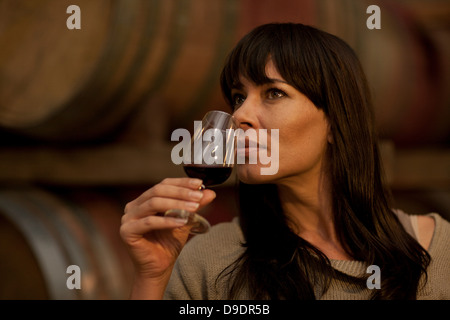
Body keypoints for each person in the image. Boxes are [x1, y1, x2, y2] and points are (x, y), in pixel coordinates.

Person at [120, 23, 450, 300]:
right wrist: (151, 277)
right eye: (238, 97)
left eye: (273, 93)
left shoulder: (439, 250)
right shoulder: (207, 261)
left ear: (336, 122)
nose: (239, 115)